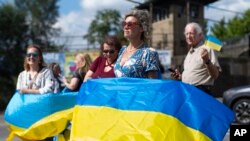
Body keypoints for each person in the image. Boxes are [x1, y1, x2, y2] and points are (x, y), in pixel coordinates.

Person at [171, 22, 221, 94]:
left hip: (201, 92)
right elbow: (194, 75)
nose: (188, 36)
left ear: (200, 35)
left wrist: (207, 61)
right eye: (186, 34)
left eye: (191, 33)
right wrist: (180, 77)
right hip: (188, 91)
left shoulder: (207, 49)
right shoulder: (189, 53)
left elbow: (215, 75)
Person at [114, 9, 160, 78]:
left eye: (130, 24)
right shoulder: (122, 50)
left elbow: (152, 84)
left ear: (141, 28)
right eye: (124, 24)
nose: (125, 27)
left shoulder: (149, 53)